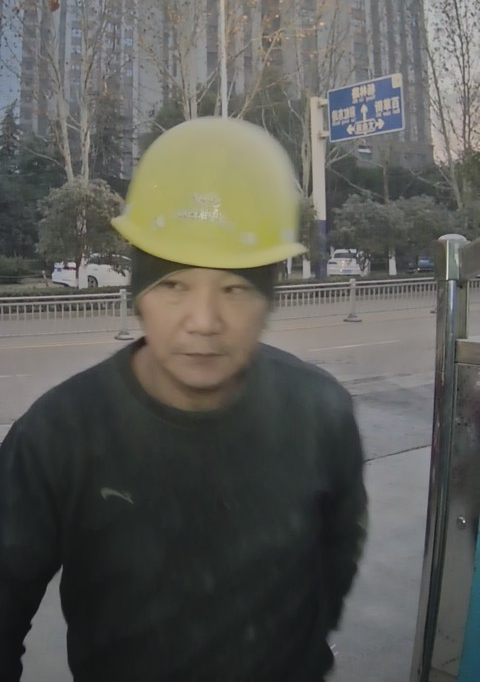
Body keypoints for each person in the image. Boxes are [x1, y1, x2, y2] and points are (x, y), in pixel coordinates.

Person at [0, 117, 367, 682]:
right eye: (173, 284)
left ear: (269, 299)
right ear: (138, 296)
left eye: (235, 288)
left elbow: (338, 555)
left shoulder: (322, 415)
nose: (203, 321)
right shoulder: (57, 437)